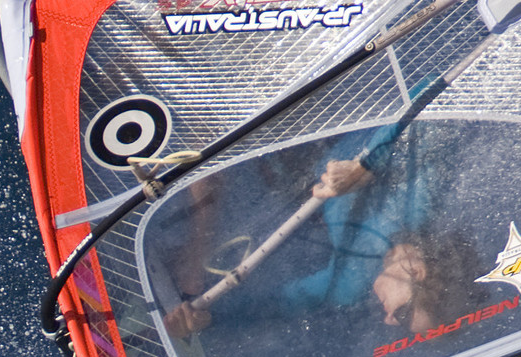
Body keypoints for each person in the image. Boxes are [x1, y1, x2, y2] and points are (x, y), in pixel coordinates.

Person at [162, 117, 429, 343]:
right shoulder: (424, 208)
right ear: (418, 272)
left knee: (202, 144)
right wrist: (365, 168)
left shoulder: (350, 284)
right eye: (403, 314)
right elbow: (430, 107)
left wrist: (208, 319)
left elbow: (278, 305)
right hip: (332, 114)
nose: (389, 321)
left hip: (282, 168)